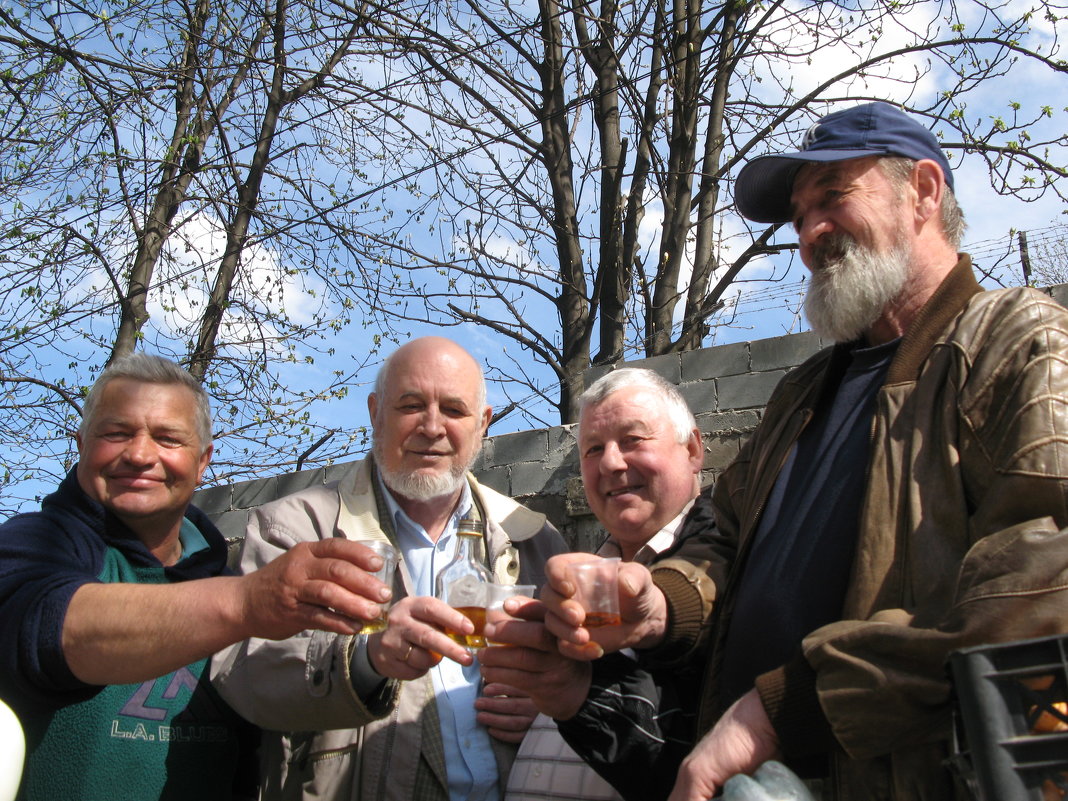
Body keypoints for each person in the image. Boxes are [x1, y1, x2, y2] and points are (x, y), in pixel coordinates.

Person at [536, 102, 1068, 801]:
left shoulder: (1016, 341)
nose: (810, 232)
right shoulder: (803, 393)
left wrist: (789, 706)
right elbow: (719, 540)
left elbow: (1041, 590)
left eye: (833, 196)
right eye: (798, 214)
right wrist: (655, 604)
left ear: (925, 192)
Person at [0, 353, 394, 801]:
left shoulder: (221, 572)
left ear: (203, 460)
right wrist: (245, 604)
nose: (140, 454)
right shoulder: (33, 544)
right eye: (116, 433)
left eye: (168, 438)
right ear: (81, 444)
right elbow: (48, 630)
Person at [211, 336, 568, 801]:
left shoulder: (532, 537)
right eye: (411, 405)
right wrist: (366, 659)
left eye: (455, 411)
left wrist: (548, 712)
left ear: (483, 425)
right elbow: (242, 673)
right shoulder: (297, 528)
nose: (432, 427)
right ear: (376, 412)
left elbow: (582, 683)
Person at [499, 368, 708, 801]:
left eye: (632, 440)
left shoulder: (726, 570)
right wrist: (541, 711)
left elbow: (705, 764)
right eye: (594, 449)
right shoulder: (587, 573)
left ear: (692, 449)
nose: (611, 463)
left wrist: (575, 694)